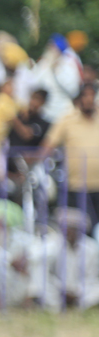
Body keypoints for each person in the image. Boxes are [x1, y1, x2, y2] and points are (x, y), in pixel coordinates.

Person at [39, 80, 99, 230]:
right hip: (77, 187)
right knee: (83, 230)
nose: (89, 99)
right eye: (85, 95)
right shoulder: (68, 119)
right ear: (80, 98)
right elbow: (48, 145)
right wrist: (34, 159)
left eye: (92, 95)